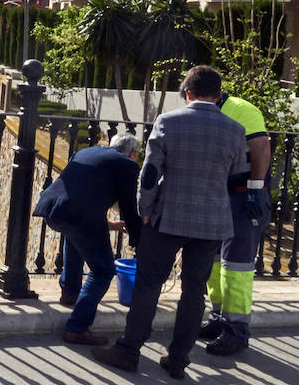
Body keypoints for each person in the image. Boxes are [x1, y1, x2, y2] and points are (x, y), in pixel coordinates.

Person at [91, 65, 248, 380]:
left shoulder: (167, 122)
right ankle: (178, 358)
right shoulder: (235, 129)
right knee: (195, 291)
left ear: (187, 93)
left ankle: (128, 350)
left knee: (149, 284)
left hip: (167, 218)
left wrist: (144, 211)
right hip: (212, 222)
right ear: (219, 96)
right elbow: (237, 176)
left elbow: (149, 175)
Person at [33, 133, 143, 346]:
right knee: (103, 270)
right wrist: (137, 238)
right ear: (132, 153)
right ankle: (77, 327)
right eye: (137, 155)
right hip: (78, 216)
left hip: (52, 209)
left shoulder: (87, 152)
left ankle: (70, 293)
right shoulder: (127, 166)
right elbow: (129, 205)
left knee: (75, 241)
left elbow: (85, 195)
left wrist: (109, 225)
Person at [199, 92, 272, 355]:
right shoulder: (210, 111)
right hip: (223, 199)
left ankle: (237, 332)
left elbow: (261, 146)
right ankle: (218, 320)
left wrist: (255, 188)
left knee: (236, 268)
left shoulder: (242, 109)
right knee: (216, 263)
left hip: (245, 200)